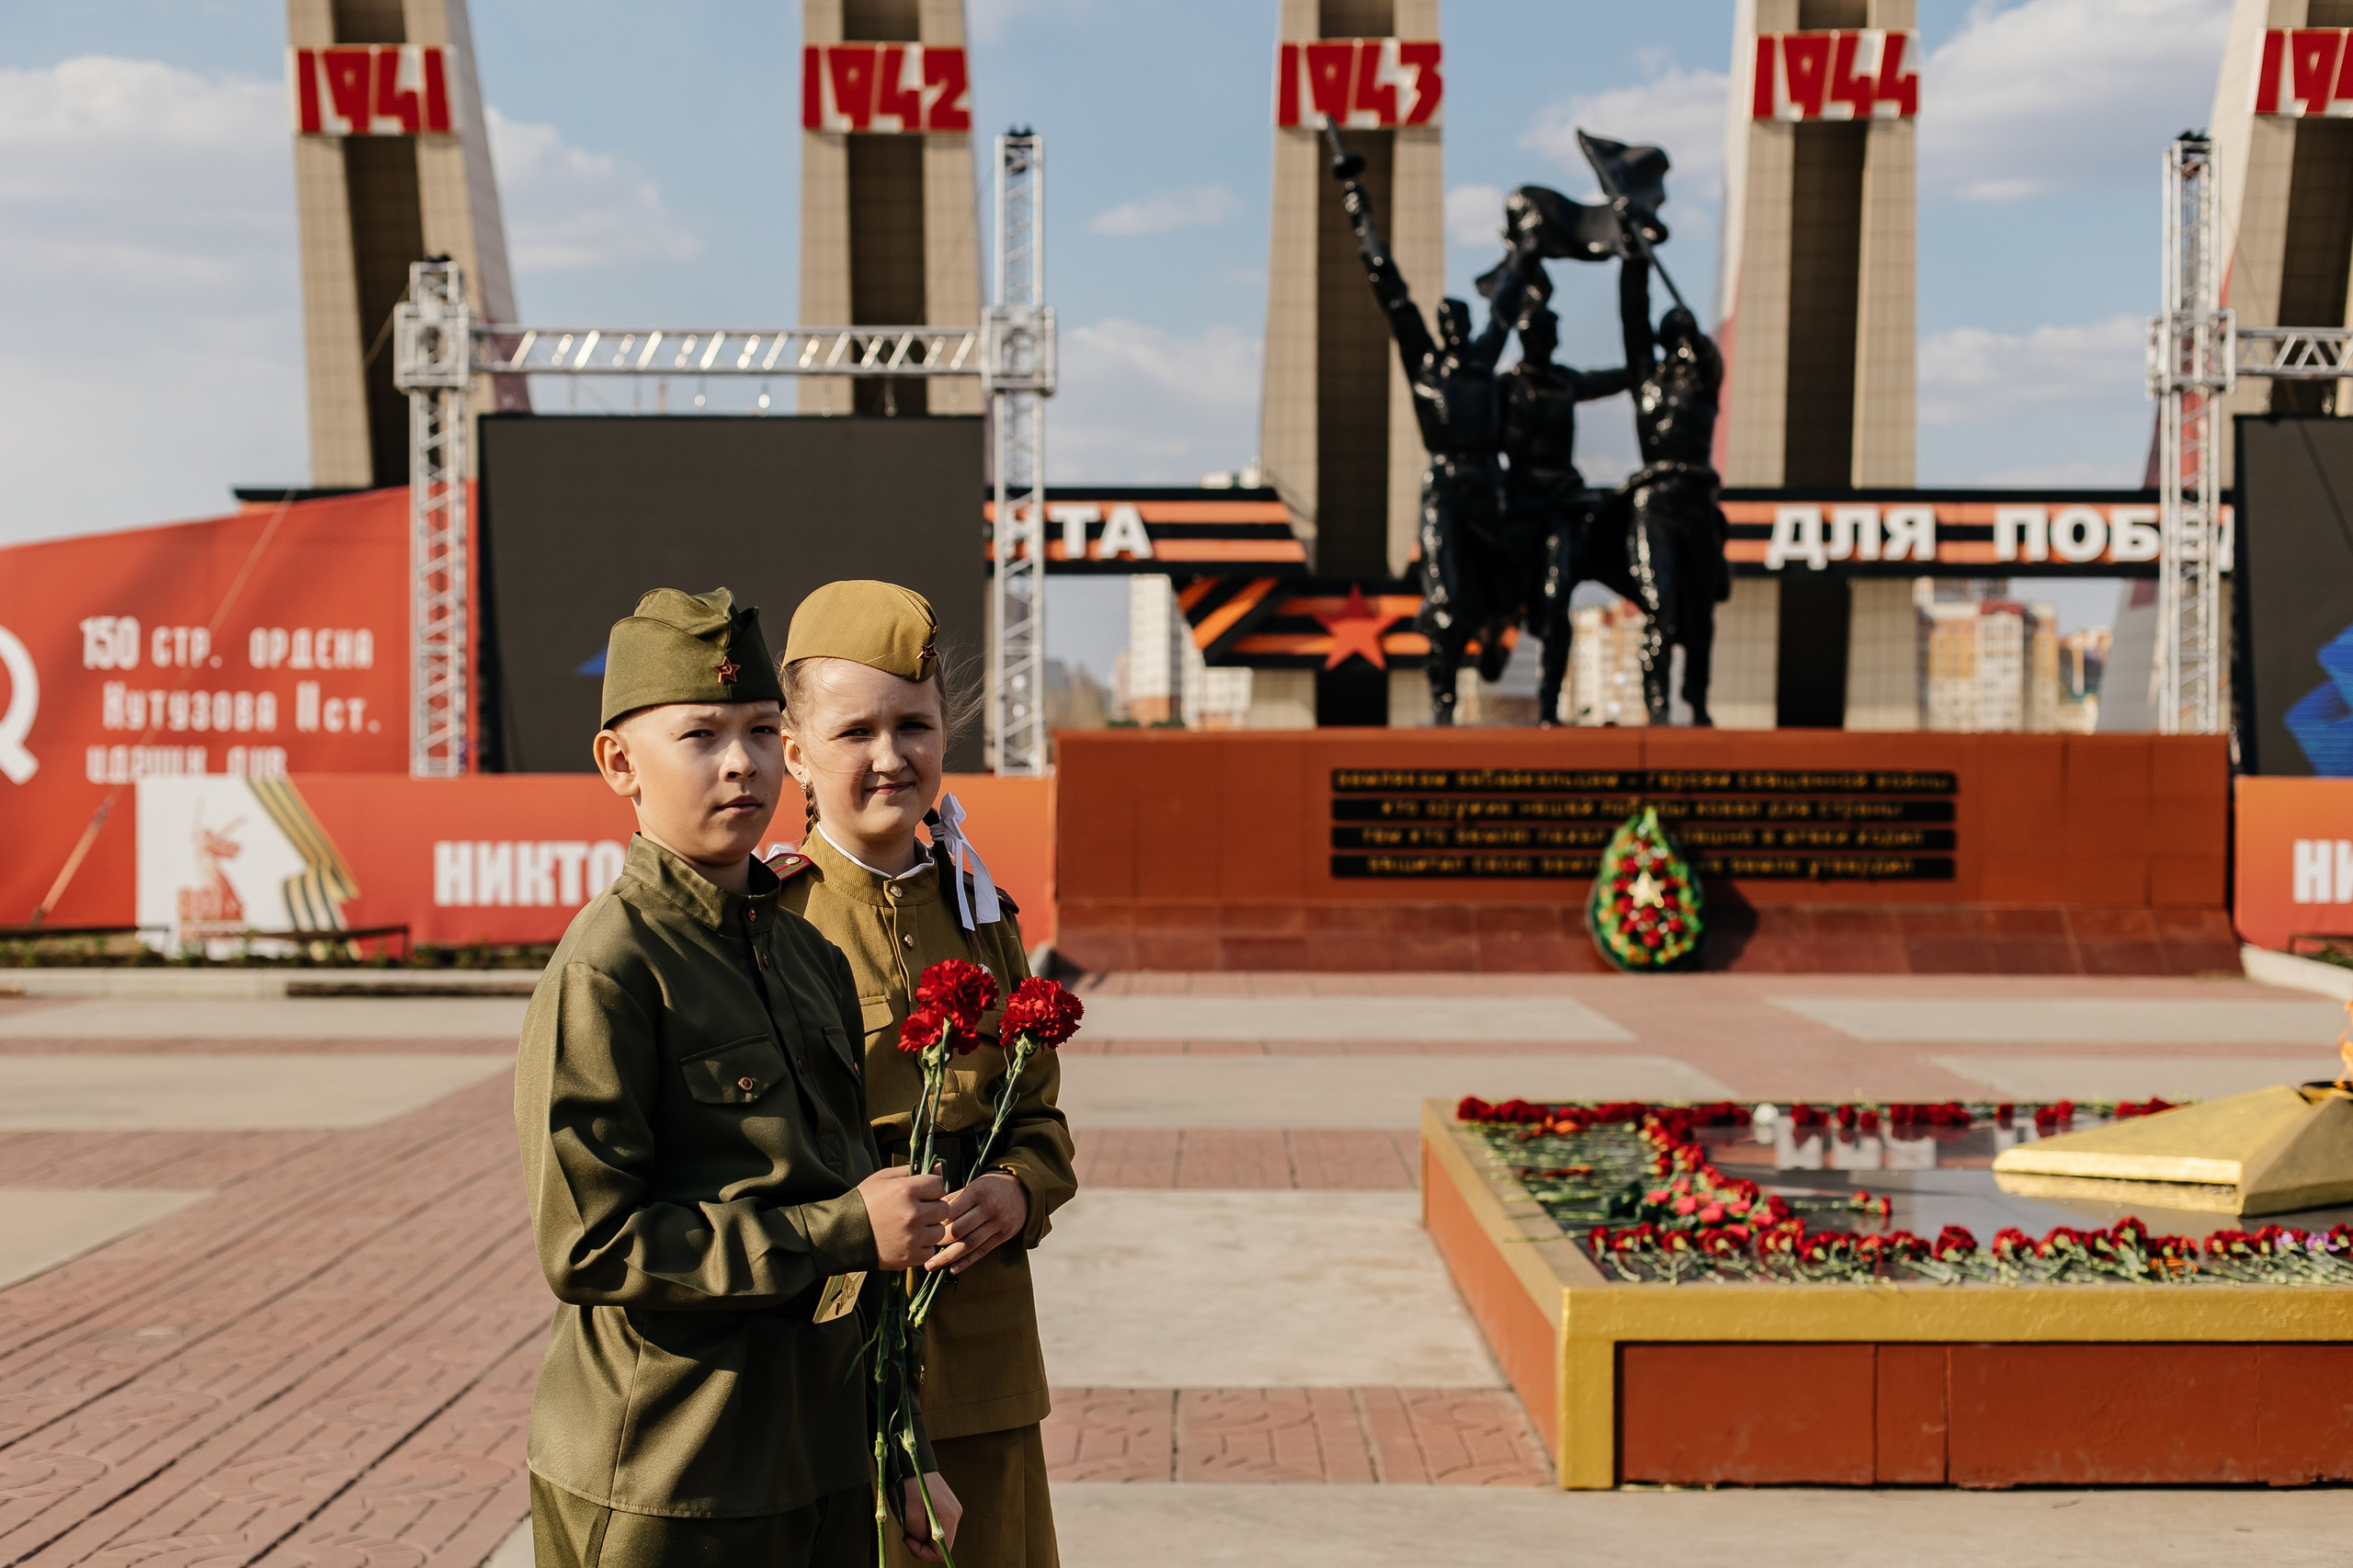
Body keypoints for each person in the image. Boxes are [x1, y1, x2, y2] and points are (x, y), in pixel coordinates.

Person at [515, 586, 961, 1568]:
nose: (742, 763)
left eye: (762, 730)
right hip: (674, 1480)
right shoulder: (611, 966)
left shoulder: (806, 959)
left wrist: (902, 1444)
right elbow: (591, 1244)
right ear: (619, 763)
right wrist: (842, 1229)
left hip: (822, 1461)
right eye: (701, 735)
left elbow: (869, 1241)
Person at [772, 580, 1076, 1568]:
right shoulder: (770, 926)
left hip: (983, 1364)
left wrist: (1015, 1189)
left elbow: (1040, 1126)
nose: (889, 755)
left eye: (914, 724)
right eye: (854, 730)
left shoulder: (986, 916)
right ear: (795, 753)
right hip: (826, 1376)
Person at [1329, 127, 1539, 723]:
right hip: (1446, 488)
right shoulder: (1422, 361)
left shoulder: (1481, 359)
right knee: (1445, 601)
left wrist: (1527, 248)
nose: (1450, 325)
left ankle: (1498, 634)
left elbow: (1508, 305)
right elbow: (1387, 285)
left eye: (1457, 319)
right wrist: (1358, 210)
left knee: (1505, 590)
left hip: (1487, 487)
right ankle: (1442, 706)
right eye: (1443, 318)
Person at [1496, 292, 1635, 725]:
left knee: (1557, 601)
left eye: (1553, 335)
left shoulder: (1564, 382)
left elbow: (1606, 381)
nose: (1548, 342)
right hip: (1520, 502)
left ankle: (1550, 702)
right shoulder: (1505, 387)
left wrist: (1643, 366)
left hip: (1562, 502)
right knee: (1504, 592)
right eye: (1542, 334)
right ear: (1526, 337)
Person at [1618, 254, 1730, 725]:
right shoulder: (1647, 378)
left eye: (1689, 338)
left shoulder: (1705, 381)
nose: (1682, 347)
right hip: (1655, 504)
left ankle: (1697, 702)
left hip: (1697, 504)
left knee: (1700, 614)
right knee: (1659, 606)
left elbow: (1710, 356)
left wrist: (1695, 332)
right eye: (1675, 338)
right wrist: (1636, 259)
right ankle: (1658, 704)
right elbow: (1633, 315)